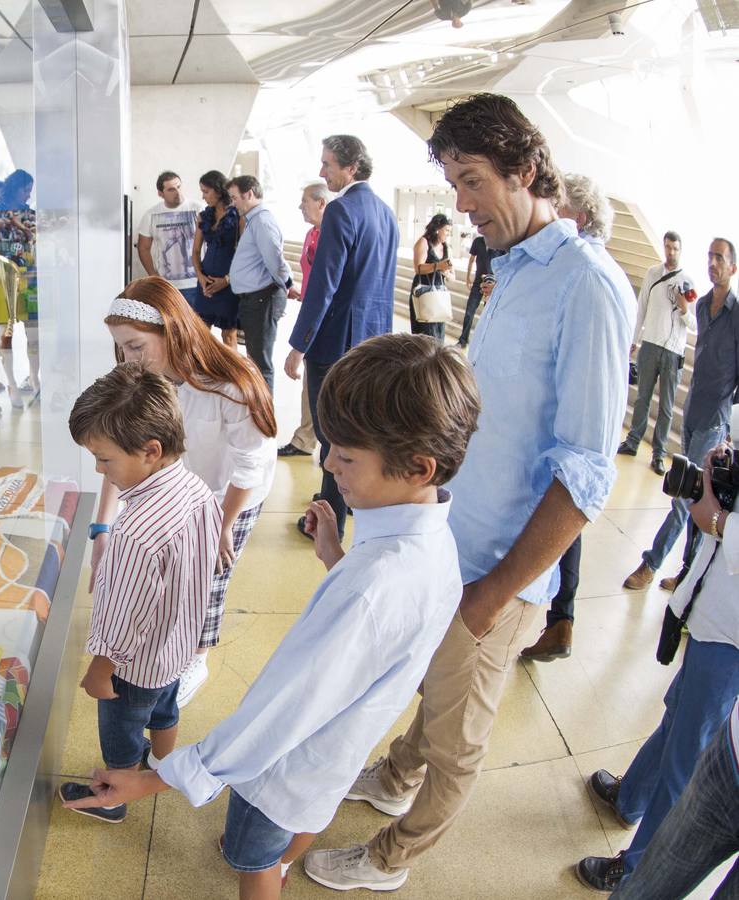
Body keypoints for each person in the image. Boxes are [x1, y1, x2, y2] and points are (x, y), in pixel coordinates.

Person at [303, 93, 634, 892]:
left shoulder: (586, 286)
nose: (461, 203)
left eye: (474, 180)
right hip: (454, 543)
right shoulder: (509, 268)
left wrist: (491, 597)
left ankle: (392, 858)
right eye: (453, 181)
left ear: (527, 170)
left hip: (499, 569)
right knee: (434, 680)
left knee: (459, 738)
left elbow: (587, 470)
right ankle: (392, 779)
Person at [65, 334, 482, 900]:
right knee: (294, 824)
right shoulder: (431, 543)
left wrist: (150, 779)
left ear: (417, 467)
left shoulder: (373, 588)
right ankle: (282, 859)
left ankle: (268, 867)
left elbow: (274, 719)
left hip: (284, 772)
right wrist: (336, 557)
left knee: (250, 855)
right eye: (331, 445)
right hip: (333, 756)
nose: (328, 465)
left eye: (347, 456)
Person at [92, 278, 278, 707]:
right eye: (122, 348)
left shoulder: (231, 383)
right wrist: (102, 527)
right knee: (172, 572)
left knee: (209, 575)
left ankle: (197, 658)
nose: (128, 360)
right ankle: (166, 644)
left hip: (232, 493)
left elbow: (249, 466)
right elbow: (115, 452)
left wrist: (223, 527)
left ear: (172, 330)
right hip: (179, 487)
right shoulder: (141, 381)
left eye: (136, 347)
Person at [58, 362, 221, 824]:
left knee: (122, 731)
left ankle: (115, 794)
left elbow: (124, 618)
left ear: (150, 451)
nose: (98, 468)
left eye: (104, 459)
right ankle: (162, 765)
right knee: (165, 709)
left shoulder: (135, 533)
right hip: (177, 649)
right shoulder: (195, 489)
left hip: (131, 670)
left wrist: (99, 671)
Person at [576, 445, 739, 892]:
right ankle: (632, 797)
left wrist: (721, 522)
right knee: (676, 718)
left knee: (688, 755)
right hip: (713, 615)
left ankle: (636, 867)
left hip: (732, 636)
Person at [522, 172, 627, 662]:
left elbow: (585, 466)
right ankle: (560, 616)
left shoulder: (586, 276)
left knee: (563, 515)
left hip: (560, 441)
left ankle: (559, 616)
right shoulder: (585, 272)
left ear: (577, 218)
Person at [284, 135, 399, 541]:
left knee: (332, 430)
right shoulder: (385, 213)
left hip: (334, 343)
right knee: (360, 428)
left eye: (327, 164)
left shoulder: (341, 211)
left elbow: (323, 286)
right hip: (372, 339)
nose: (322, 172)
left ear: (350, 168)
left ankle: (332, 515)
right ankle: (348, 503)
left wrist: (299, 345)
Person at [624, 238, 739, 592]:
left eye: (720, 258)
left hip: (714, 421)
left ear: (733, 267)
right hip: (691, 413)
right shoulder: (702, 306)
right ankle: (689, 574)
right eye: (709, 256)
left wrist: (731, 429)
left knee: (685, 495)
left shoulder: (737, 315)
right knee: (697, 500)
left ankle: (651, 562)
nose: (713, 263)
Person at [610, 697, 739, 899]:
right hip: (731, 760)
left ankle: (628, 861)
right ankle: (628, 803)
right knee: (642, 890)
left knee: (681, 761)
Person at [619, 231, 694, 475]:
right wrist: (634, 339)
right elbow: (641, 308)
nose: (670, 252)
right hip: (650, 344)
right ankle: (632, 441)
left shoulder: (688, 282)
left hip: (673, 350)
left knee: (666, 406)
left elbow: (693, 324)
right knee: (642, 397)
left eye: (675, 248)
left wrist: (683, 309)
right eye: (667, 247)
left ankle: (659, 455)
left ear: (680, 250)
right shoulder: (652, 273)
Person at [279, 182, 332, 459]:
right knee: (311, 381)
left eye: (304, 202)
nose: (300, 207)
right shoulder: (313, 233)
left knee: (318, 380)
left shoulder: (331, 235)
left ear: (321, 203)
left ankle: (315, 440)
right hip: (310, 309)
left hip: (323, 316)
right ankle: (305, 438)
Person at [228, 175, 292, 397]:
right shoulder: (255, 220)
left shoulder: (262, 220)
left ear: (249, 194)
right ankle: (258, 408)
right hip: (254, 298)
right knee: (254, 358)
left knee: (260, 362)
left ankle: (263, 418)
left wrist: (287, 284)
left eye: (235, 197)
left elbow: (275, 259)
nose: (233, 202)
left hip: (262, 298)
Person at [190, 170, 241, 346]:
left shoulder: (238, 215)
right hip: (206, 281)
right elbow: (195, 251)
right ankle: (204, 372)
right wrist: (201, 277)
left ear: (218, 191)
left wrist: (227, 280)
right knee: (200, 333)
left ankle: (232, 373)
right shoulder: (203, 216)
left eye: (206, 191)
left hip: (229, 282)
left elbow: (245, 254)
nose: (203, 197)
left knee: (229, 335)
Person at [136, 171, 202, 302]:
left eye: (179, 187)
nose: (178, 192)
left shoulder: (199, 209)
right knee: (169, 323)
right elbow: (143, 247)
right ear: (160, 194)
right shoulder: (151, 214)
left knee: (199, 322)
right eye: (171, 189)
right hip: (167, 286)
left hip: (197, 283)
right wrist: (153, 276)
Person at [409, 213, 453, 343]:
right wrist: (438, 266)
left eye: (450, 231)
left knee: (438, 334)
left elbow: (452, 275)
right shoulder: (423, 242)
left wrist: (447, 272)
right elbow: (418, 268)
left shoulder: (446, 247)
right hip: (424, 290)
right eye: (446, 230)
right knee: (425, 333)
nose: (448, 234)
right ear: (437, 229)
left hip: (439, 292)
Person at [458, 233, 494, 348]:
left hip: (492, 283)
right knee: (469, 311)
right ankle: (463, 340)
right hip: (478, 281)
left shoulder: (498, 242)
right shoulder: (478, 241)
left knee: (488, 314)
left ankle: (485, 343)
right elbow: (471, 259)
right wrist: (468, 277)